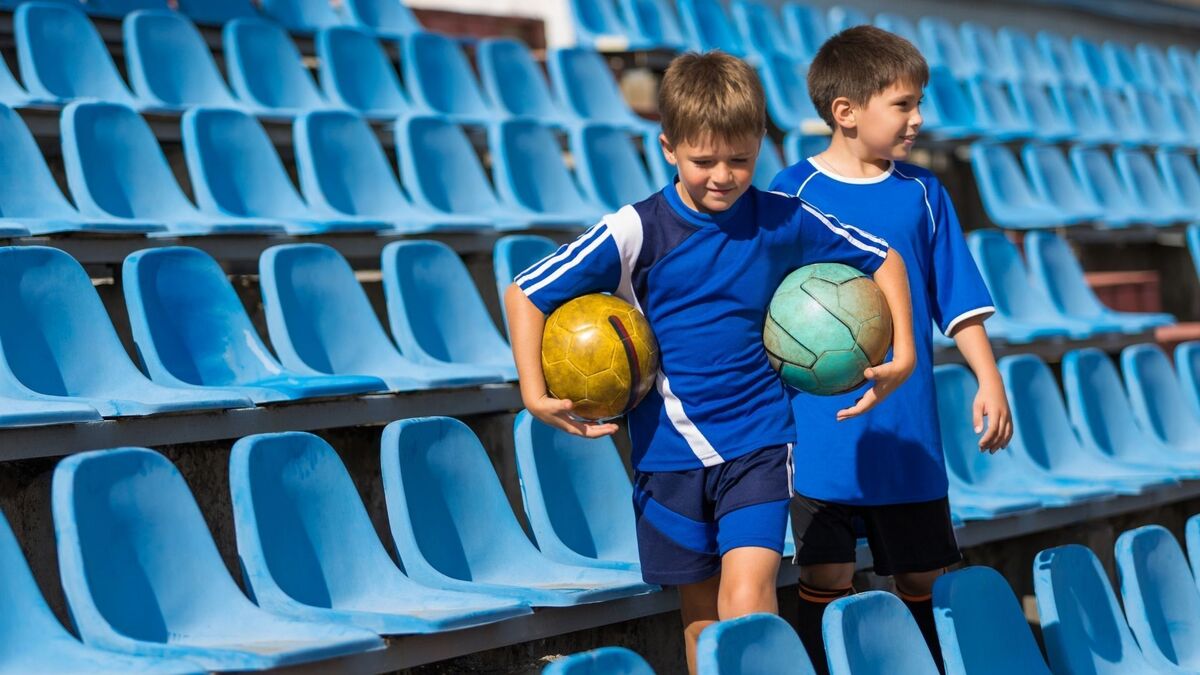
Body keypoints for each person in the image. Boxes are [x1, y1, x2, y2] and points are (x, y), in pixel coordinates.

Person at [505, 50, 915, 674]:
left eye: (741, 160)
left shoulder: (783, 218)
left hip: (758, 440)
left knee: (748, 601)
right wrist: (535, 393)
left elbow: (883, 259)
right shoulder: (636, 230)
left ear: (760, 147)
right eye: (704, 161)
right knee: (700, 621)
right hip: (667, 453)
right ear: (669, 147)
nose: (723, 176)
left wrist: (904, 353)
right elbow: (526, 292)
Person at [769, 26, 1013, 673]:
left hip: (908, 435)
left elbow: (957, 301)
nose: (918, 118)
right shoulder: (788, 192)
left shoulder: (923, 194)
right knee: (826, 574)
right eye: (903, 104)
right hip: (821, 433)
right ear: (845, 111)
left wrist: (989, 378)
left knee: (926, 581)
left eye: (918, 102)